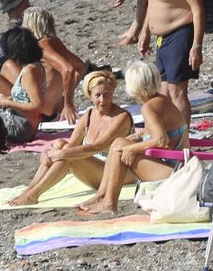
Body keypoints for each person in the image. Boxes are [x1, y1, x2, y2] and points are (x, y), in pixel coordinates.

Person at [73, 61, 187, 215]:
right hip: (178, 165)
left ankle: (108, 202)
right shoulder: (160, 100)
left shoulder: (149, 107)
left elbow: (161, 140)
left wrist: (131, 148)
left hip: (175, 172)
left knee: (121, 147)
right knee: (119, 143)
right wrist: (138, 138)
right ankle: (101, 196)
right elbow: (160, 133)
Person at [7, 70, 134, 206]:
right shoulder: (89, 115)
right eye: (97, 95)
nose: (102, 100)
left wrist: (57, 154)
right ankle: (29, 190)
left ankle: (33, 194)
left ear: (113, 93)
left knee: (66, 152)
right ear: (90, 95)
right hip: (97, 171)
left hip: (120, 173)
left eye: (106, 94)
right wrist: (48, 152)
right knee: (60, 143)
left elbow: (97, 147)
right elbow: (72, 144)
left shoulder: (122, 117)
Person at [126, 0, 205, 126]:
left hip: (180, 34)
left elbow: (197, 9)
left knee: (177, 91)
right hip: (161, 38)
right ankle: (170, 133)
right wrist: (145, 32)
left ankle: (183, 139)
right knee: (163, 91)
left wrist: (197, 46)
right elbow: (153, 2)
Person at [21, 8, 89, 124]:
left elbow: (69, 70)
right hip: (54, 109)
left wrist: (68, 104)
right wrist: (63, 97)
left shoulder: (41, 46)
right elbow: (81, 67)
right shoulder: (54, 41)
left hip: (40, 113)